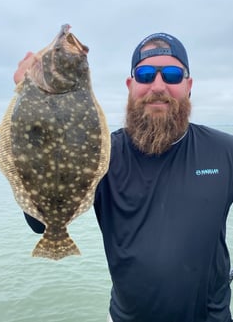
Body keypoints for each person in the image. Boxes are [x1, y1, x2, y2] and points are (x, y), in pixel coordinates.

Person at [14, 32, 233, 322]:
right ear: (131, 86)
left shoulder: (224, 151)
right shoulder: (102, 155)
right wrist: (33, 109)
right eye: (144, 75)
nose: (158, 86)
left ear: (188, 85)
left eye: (171, 74)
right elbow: (40, 221)